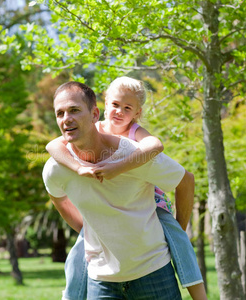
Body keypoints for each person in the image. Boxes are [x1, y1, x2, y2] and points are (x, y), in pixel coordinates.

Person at [46, 77, 207, 300]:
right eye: (60, 113)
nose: (67, 119)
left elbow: (164, 155)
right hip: (101, 278)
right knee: (75, 260)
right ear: (105, 105)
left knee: (178, 239)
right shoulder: (60, 163)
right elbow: (54, 165)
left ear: (94, 114)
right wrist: (88, 226)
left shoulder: (135, 148)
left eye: (74, 110)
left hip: (153, 266)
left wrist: (117, 167)